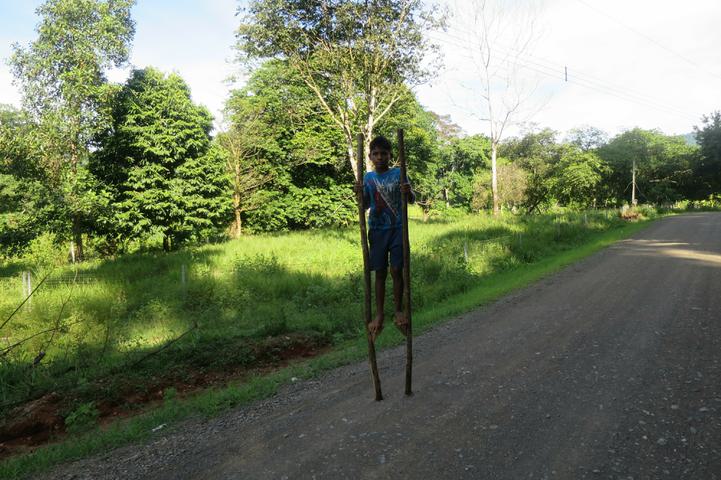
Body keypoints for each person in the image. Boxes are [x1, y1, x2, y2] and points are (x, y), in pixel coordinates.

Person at [354, 135, 414, 341]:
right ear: (370, 156)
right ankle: (379, 315)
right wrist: (359, 195)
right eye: (376, 154)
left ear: (390, 156)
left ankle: (398, 311)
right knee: (379, 273)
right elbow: (365, 205)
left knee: (397, 270)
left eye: (384, 154)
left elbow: (411, 199)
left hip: (398, 229)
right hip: (377, 231)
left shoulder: (399, 173)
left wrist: (408, 191)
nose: (380, 157)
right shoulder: (368, 178)